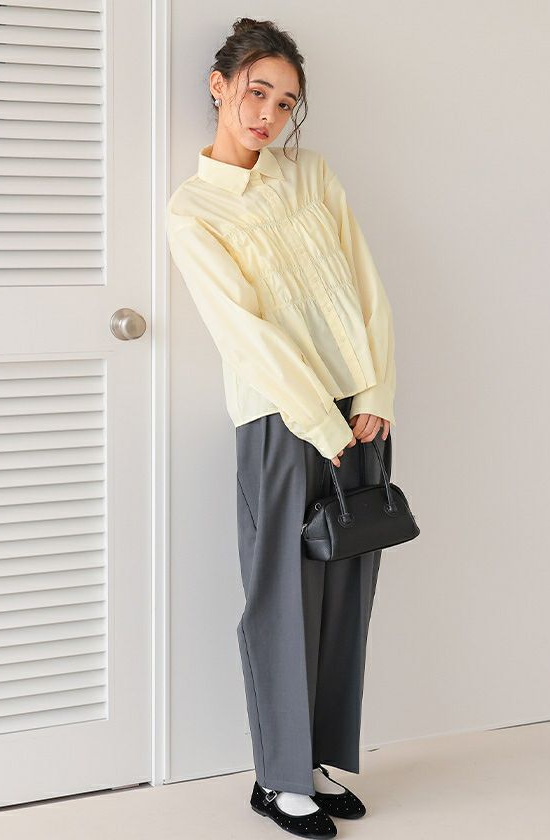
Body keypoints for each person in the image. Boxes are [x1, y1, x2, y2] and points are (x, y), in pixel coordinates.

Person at [166, 17, 396, 838]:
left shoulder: (312, 176)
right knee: (282, 600)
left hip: (360, 415)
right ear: (220, 85)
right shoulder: (193, 210)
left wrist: (376, 389)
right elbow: (245, 334)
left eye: (286, 101)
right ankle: (278, 779)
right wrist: (317, 421)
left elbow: (365, 284)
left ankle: (318, 760)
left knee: (345, 598)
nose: (268, 113)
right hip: (281, 424)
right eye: (256, 92)